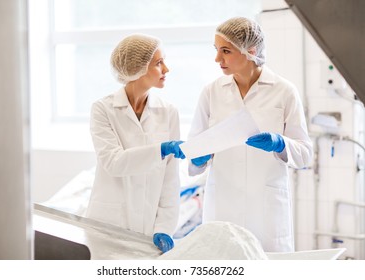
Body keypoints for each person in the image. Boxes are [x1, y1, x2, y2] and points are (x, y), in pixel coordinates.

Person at [188, 17, 313, 252]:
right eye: (216, 50)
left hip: (265, 209)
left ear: (251, 50)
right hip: (223, 204)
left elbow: (305, 154)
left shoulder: (284, 91)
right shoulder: (211, 92)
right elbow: (195, 146)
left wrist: (280, 144)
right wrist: (197, 158)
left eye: (225, 51)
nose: (217, 59)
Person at [86, 34, 185, 253]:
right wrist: (159, 150)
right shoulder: (103, 109)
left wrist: (165, 227)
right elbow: (114, 162)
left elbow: (170, 177)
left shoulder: (169, 112)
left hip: (149, 231)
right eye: (159, 63)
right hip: (108, 225)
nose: (166, 69)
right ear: (137, 68)